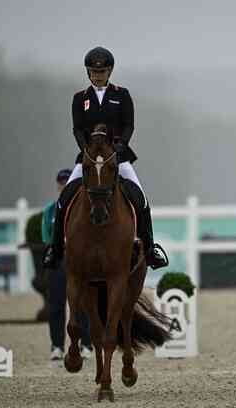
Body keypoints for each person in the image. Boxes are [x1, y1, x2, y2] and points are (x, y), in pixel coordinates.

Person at [42, 46, 168, 270]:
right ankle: (55, 248)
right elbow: (78, 129)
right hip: (89, 159)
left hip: (118, 157)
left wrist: (120, 147)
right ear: (88, 73)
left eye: (101, 72)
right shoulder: (80, 98)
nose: (97, 76)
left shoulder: (122, 95)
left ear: (109, 72)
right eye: (93, 72)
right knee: (64, 199)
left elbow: (129, 125)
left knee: (142, 199)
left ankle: (150, 249)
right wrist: (87, 151)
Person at [42, 169, 92, 361]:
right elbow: (47, 235)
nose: (64, 185)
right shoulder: (50, 210)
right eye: (61, 182)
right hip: (59, 258)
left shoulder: (83, 208)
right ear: (58, 185)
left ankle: (85, 344)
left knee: (81, 305)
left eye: (66, 182)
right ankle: (56, 346)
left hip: (79, 260)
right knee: (55, 305)